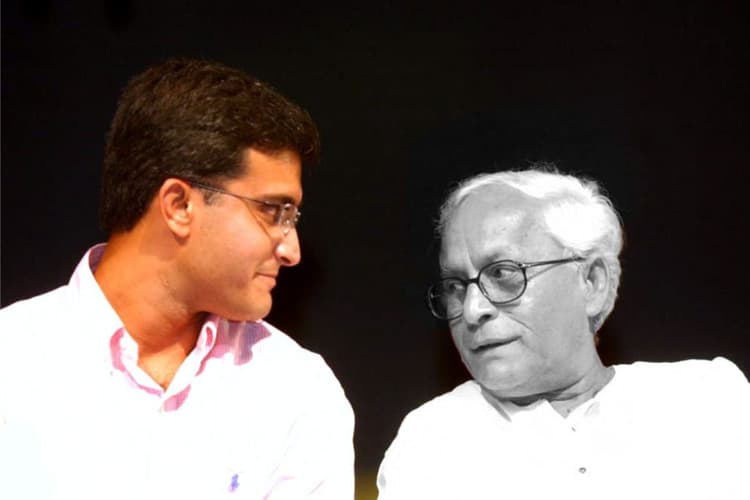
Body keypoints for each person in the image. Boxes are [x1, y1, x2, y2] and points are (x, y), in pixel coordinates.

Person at [0, 58, 354, 499]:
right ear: (179, 205)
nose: (291, 250)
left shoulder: (296, 391)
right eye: (272, 211)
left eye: (291, 216)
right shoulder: (12, 363)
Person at [377, 166, 750, 499]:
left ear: (591, 282)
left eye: (503, 274)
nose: (474, 309)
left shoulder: (708, 399)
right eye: (456, 286)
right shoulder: (432, 442)